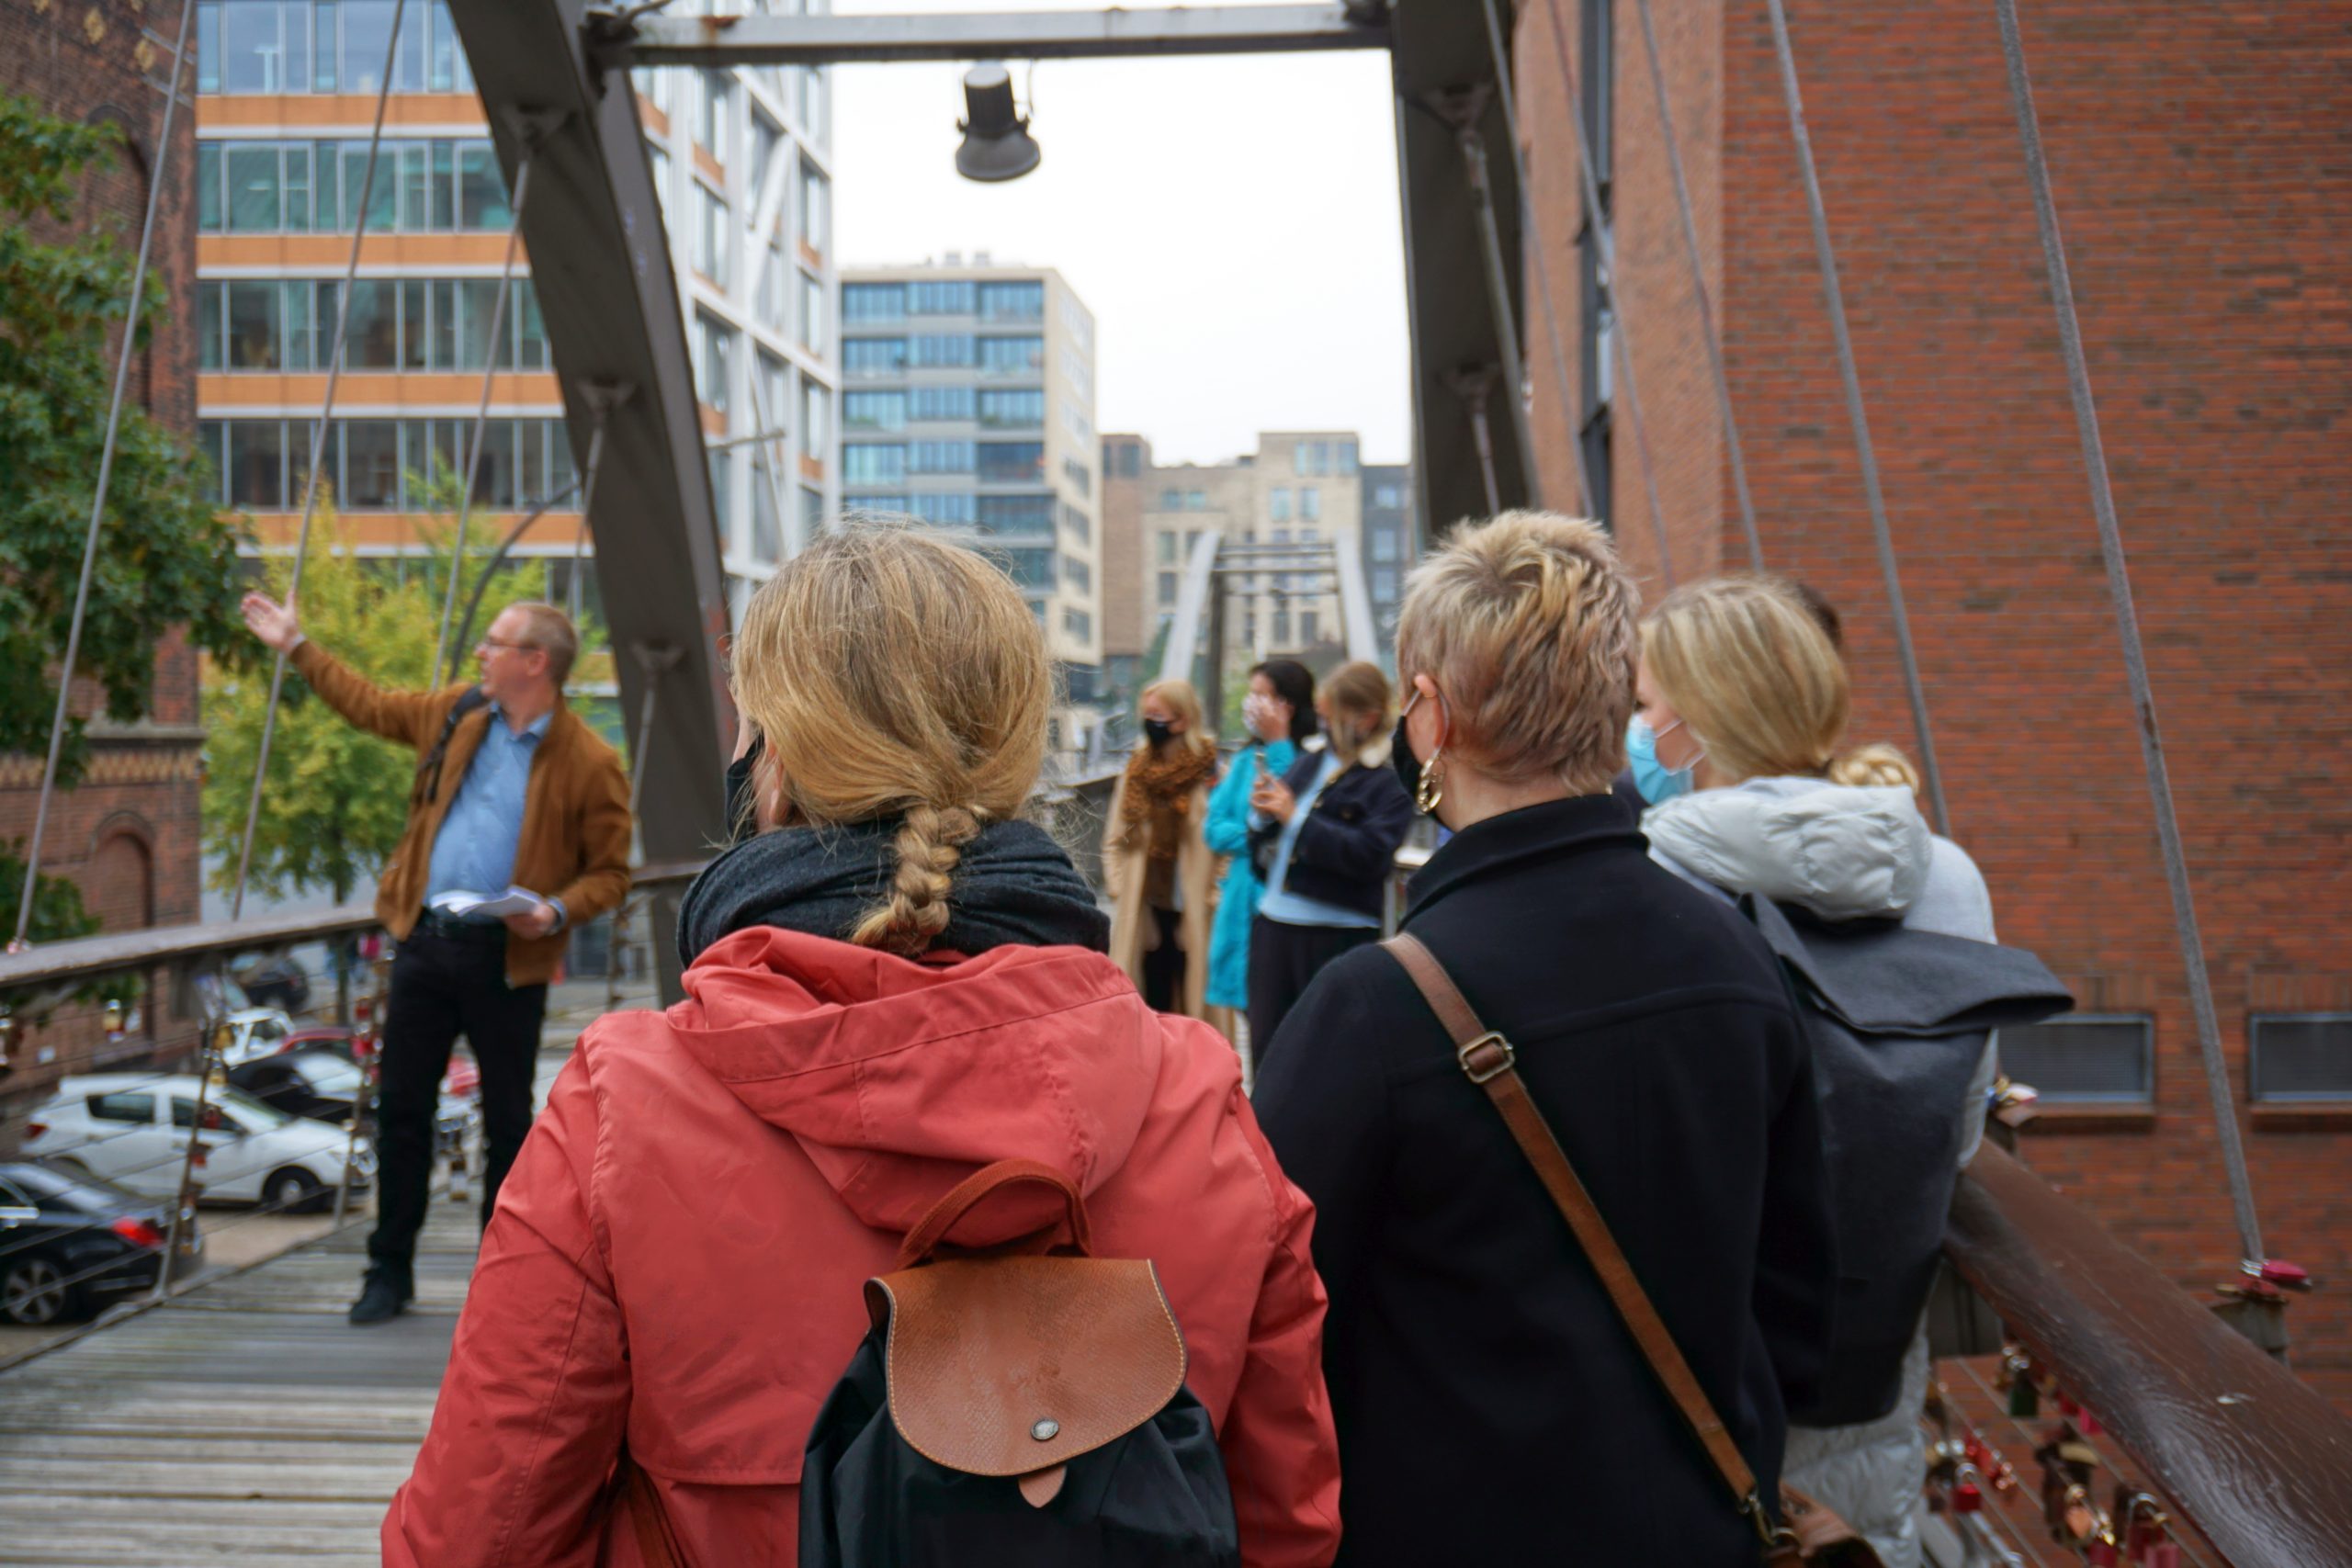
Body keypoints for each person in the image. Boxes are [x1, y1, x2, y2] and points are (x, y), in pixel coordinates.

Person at [384, 526, 1341, 1567]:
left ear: (774, 767)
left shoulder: (628, 1102)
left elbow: (474, 1539)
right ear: (1016, 761)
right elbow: (1286, 1527)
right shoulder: (1196, 1098)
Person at [1252, 513, 1836, 1567]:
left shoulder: (1373, 1008)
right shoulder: (1739, 960)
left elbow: (1264, 1312)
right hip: (1704, 1528)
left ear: (1428, 719)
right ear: (1618, 706)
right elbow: (1794, 1302)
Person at [1632, 575, 1999, 1568]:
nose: (1639, 727)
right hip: (1868, 1349)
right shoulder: (1946, 870)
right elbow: (1958, 1129)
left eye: (1648, 703)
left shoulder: (1653, 877)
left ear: (1701, 722)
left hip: (1697, 1362)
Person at [239, 592, 631, 1327]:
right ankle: (389, 1270)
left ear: (534, 662)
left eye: (494, 643)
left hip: (506, 959)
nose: (480, 653)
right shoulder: (459, 715)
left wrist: (556, 909)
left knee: (509, 1122)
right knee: (402, 1113)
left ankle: (504, 1282)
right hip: (423, 946)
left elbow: (611, 873)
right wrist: (297, 645)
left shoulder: (588, 760)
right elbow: (371, 705)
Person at [1242, 661, 1412, 1065]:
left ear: (1366, 718)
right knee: (1267, 1053)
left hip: (1336, 933)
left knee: (1326, 1058)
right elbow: (1270, 831)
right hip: (1274, 923)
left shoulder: (1388, 778)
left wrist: (1294, 818)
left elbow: (1369, 855)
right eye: (1320, 716)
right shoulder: (1313, 760)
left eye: (1330, 717)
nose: (1323, 726)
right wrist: (1262, 814)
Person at [1204, 660, 1317, 1034]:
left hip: (1282, 901)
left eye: (1261, 696)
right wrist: (1255, 834)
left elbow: (1292, 812)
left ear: (1288, 704)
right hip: (1238, 900)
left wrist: (1279, 744)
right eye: (1251, 695)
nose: (1252, 704)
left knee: (1283, 1018)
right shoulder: (1241, 762)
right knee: (1250, 1015)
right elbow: (1214, 829)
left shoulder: (1310, 760)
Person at [1104, 679, 1220, 1017]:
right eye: (1147, 714)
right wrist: (1117, 887)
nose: (1150, 721)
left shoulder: (1210, 775)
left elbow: (1227, 841)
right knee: (1146, 1003)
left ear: (1183, 719)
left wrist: (1213, 894)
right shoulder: (1136, 772)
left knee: (1193, 1002)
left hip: (1195, 907)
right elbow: (1114, 840)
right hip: (1145, 904)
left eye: (1158, 714)